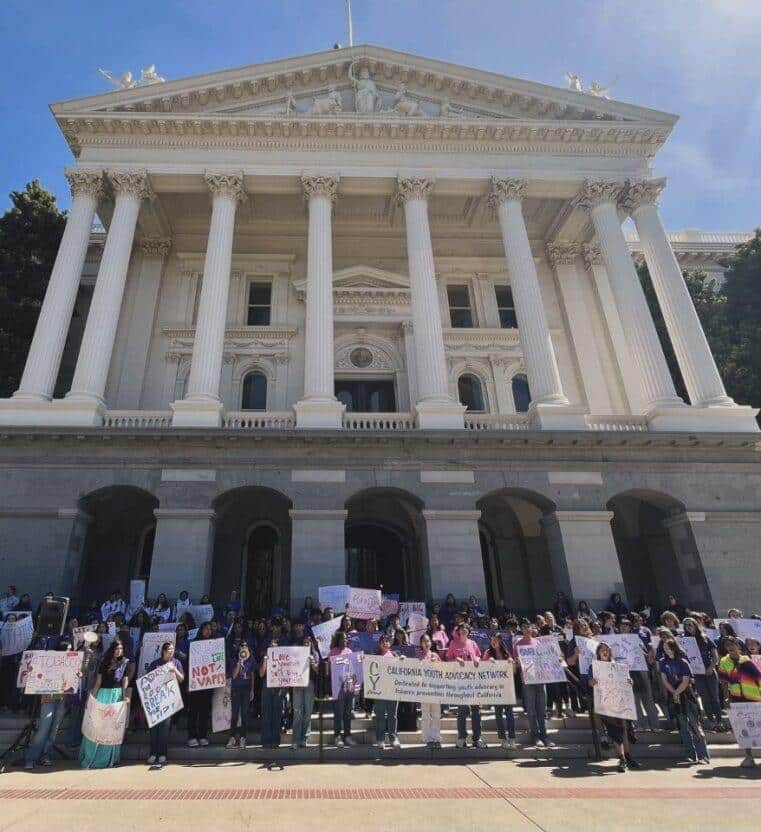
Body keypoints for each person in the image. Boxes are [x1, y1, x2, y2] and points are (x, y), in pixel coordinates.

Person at [79, 638, 133, 769]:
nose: (119, 651)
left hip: (117, 697)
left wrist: (125, 697)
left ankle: (110, 758)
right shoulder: (104, 663)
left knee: (112, 727)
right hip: (103, 695)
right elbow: (97, 683)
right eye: (117, 649)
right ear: (112, 649)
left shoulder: (125, 663)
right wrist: (91, 699)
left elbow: (125, 683)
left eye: (121, 649)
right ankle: (94, 757)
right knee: (99, 725)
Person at [588, 642, 641, 772]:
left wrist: (630, 682)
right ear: (598, 653)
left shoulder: (618, 666)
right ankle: (622, 758)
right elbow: (590, 682)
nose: (604, 652)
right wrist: (592, 682)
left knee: (624, 730)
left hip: (620, 703)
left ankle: (628, 757)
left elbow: (627, 681)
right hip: (605, 703)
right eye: (602, 650)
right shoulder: (594, 667)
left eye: (606, 650)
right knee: (614, 731)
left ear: (610, 652)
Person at [24, 640, 75, 769]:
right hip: (48, 698)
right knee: (43, 729)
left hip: (61, 699)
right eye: (67, 649)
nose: (69, 651)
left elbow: (72, 681)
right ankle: (31, 758)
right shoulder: (50, 663)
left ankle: (45, 755)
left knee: (53, 731)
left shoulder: (70, 664)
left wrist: (77, 675)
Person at [659, 638, 710, 764]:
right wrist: (673, 693)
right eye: (664, 647)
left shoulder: (683, 662)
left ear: (674, 648)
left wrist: (677, 693)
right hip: (674, 694)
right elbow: (664, 680)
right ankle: (691, 755)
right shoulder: (662, 662)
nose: (666, 649)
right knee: (683, 726)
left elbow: (686, 680)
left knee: (694, 724)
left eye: (669, 647)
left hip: (686, 694)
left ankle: (703, 756)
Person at [718, 636, 761, 768]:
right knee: (743, 728)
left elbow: (759, 679)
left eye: (732, 644)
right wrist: (726, 697)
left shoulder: (748, 661)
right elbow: (724, 682)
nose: (730, 647)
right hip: (737, 699)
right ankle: (748, 757)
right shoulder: (724, 662)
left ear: (739, 647)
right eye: (727, 645)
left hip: (754, 698)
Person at [513, 620, 554, 748]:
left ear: (532, 628)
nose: (526, 629)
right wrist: (518, 662)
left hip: (541, 679)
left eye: (528, 626)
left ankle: (544, 736)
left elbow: (546, 659)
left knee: (541, 709)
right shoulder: (518, 644)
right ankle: (535, 736)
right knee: (531, 710)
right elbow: (516, 664)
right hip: (527, 680)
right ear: (521, 629)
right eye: (523, 627)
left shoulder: (539, 642)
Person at [446, 624, 486, 749]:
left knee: (476, 711)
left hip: (473, 682)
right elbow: (448, 660)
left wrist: (478, 660)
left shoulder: (473, 643)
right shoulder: (453, 643)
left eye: (466, 628)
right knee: (462, 711)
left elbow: (479, 656)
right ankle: (462, 738)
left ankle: (477, 738)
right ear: (458, 631)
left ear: (468, 631)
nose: (463, 630)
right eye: (461, 628)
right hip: (460, 683)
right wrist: (456, 660)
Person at [146, 642, 184, 764]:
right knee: (154, 728)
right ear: (163, 651)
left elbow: (182, 679)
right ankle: (153, 753)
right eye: (169, 650)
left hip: (168, 699)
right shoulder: (155, 664)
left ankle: (162, 753)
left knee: (165, 728)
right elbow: (147, 682)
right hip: (155, 700)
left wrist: (174, 670)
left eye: (173, 650)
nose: (171, 652)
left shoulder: (177, 663)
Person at [682, 616, 721, 728]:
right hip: (697, 674)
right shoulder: (683, 640)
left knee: (714, 697)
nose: (688, 627)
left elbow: (715, 656)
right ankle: (711, 720)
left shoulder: (705, 638)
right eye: (686, 625)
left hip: (709, 671)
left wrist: (711, 667)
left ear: (695, 625)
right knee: (705, 698)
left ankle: (719, 720)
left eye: (690, 624)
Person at [483, 632, 516, 749]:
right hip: (495, 689)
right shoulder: (487, 653)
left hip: (507, 688)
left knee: (509, 714)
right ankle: (503, 739)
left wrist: (512, 664)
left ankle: (512, 738)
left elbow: (514, 671)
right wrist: (488, 663)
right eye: (492, 640)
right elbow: (483, 671)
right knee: (498, 714)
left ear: (500, 641)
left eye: (495, 639)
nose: (493, 642)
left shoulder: (507, 654)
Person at [186, 622, 214, 748]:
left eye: (210, 629)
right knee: (193, 711)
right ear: (201, 630)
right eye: (206, 629)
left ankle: (202, 735)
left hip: (208, 684)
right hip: (195, 683)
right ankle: (192, 736)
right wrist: (188, 682)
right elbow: (188, 664)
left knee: (204, 711)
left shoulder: (215, 645)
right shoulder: (193, 644)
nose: (208, 631)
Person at [328, 631, 357, 747]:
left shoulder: (349, 651)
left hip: (349, 686)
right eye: (343, 639)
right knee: (338, 713)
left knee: (347, 713)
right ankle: (337, 736)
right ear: (338, 640)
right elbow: (330, 670)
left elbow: (354, 668)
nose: (345, 641)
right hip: (338, 687)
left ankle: (348, 736)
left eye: (346, 639)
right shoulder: (333, 652)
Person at [373, 635, 401, 749]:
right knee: (380, 716)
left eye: (387, 642)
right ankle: (380, 739)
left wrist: (402, 661)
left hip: (392, 689)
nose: (385, 643)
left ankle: (393, 738)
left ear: (390, 643)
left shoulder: (395, 655)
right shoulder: (375, 656)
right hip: (379, 690)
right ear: (379, 644)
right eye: (383, 642)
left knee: (392, 716)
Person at [291, 636, 319, 749]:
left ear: (311, 644)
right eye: (304, 642)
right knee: (297, 712)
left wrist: (313, 663)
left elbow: (318, 670)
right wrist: (293, 684)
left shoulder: (315, 654)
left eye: (308, 642)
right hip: (297, 684)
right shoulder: (296, 654)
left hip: (309, 684)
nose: (307, 644)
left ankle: (304, 738)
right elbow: (291, 669)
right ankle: (295, 740)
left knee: (307, 712)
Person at [226, 641, 255, 749]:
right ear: (239, 648)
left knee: (244, 714)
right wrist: (239, 662)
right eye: (242, 646)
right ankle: (232, 737)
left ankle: (243, 738)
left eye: (246, 646)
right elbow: (233, 676)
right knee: (235, 714)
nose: (244, 647)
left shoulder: (251, 660)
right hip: (236, 689)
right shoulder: (234, 660)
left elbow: (252, 676)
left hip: (246, 689)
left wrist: (252, 690)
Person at [259, 639, 284, 748]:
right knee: (266, 714)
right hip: (267, 685)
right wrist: (265, 661)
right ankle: (266, 741)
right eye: (271, 647)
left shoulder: (283, 659)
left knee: (277, 714)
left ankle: (275, 741)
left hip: (278, 687)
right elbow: (260, 674)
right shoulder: (265, 658)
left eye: (275, 647)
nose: (273, 649)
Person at [418, 633, 442, 748]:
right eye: (424, 641)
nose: (426, 643)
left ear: (431, 643)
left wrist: (436, 664)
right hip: (424, 689)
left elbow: (443, 671)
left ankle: (436, 738)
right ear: (421, 644)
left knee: (436, 714)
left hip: (435, 689)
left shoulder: (435, 655)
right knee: (426, 715)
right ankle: (427, 739)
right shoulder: (419, 657)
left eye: (428, 641)